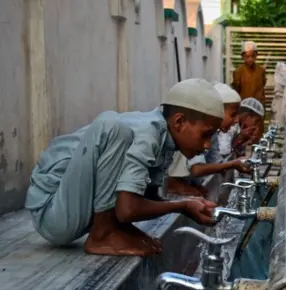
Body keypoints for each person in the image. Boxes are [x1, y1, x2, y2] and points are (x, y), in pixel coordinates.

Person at [25, 78, 223, 257]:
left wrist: (189, 203)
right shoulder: (148, 133)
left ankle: (112, 229)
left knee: (119, 136)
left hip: (71, 212)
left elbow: (145, 199)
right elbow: (126, 209)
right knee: (113, 127)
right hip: (52, 210)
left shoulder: (165, 139)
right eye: (205, 135)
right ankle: (102, 235)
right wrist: (183, 206)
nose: (207, 145)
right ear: (179, 121)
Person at [167, 82, 251, 197]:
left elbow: (216, 162)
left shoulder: (213, 135)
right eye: (233, 114)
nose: (236, 120)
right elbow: (196, 169)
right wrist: (230, 164)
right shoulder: (190, 134)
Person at [232, 41, 266, 141]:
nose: (250, 59)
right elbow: (236, 89)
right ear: (243, 57)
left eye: (253, 56)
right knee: (243, 131)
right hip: (244, 107)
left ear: (256, 56)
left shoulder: (261, 71)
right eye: (247, 56)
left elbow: (262, 85)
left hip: (258, 106)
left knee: (258, 132)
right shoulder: (238, 71)